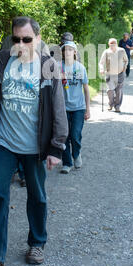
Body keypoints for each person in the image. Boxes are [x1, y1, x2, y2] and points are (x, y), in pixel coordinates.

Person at [0, 16, 68, 266]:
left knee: (37, 196)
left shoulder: (48, 66)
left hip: (34, 147)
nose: (22, 44)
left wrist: (56, 147)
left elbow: (58, 109)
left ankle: (37, 243)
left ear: (37, 38)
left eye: (27, 39)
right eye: (17, 39)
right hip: (4, 142)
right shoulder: (1, 61)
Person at [60, 40, 90, 174]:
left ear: (74, 52)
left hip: (78, 107)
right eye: (65, 50)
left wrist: (88, 109)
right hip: (63, 108)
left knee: (75, 134)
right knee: (64, 136)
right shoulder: (58, 68)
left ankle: (76, 154)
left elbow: (86, 89)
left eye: (70, 50)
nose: (67, 52)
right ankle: (67, 163)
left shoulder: (80, 68)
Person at [99, 38, 128, 112]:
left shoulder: (121, 51)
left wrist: (124, 67)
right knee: (110, 91)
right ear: (109, 44)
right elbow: (101, 63)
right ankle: (110, 104)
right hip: (109, 74)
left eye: (114, 44)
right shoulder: (106, 52)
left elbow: (126, 60)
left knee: (119, 91)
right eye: (111, 44)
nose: (112, 46)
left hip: (120, 73)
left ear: (116, 44)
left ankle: (117, 106)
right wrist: (101, 69)